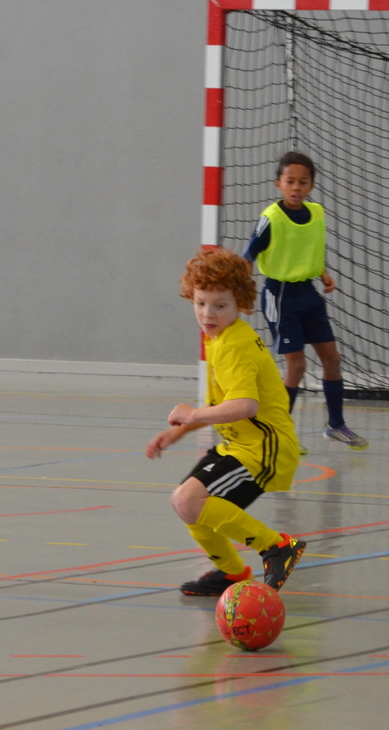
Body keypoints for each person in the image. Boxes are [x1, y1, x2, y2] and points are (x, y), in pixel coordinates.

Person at [148, 246, 306, 596]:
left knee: (189, 501)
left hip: (264, 450)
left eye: (220, 305)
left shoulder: (235, 345)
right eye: (201, 303)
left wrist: (192, 415)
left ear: (242, 305)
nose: (208, 313)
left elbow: (245, 406)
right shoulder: (220, 339)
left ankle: (277, 547)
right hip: (239, 445)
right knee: (185, 503)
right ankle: (232, 573)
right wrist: (180, 432)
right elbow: (222, 402)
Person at [242, 150, 368, 450]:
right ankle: (279, 432)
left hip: (308, 295)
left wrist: (322, 273)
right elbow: (248, 256)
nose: (296, 187)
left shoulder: (317, 214)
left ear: (311, 185)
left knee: (332, 360)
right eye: (290, 181)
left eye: (303, 182)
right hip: (280, 296)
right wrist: (244, 293)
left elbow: (307, 248)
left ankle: (335, 425)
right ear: (279, 184)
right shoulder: (271, 218)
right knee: (296, 366)